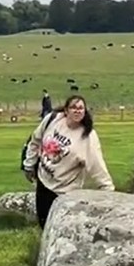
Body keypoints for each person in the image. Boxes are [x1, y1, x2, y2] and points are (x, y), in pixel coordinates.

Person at [23, 95, 115, 228]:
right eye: (73, 107)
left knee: (57, 227)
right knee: (43, 224)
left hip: (63, 192)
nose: (77, 111)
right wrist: (29, 164)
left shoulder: (87, 137)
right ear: (66, 110)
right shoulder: (53, 119)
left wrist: (108, 191)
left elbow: (97, 165)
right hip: (43, 182)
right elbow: (35, 140)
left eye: (81, 108)